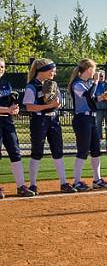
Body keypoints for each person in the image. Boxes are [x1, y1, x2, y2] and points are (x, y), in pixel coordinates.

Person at [22, 58, 71, 194]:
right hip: (39, 120)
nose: (54, 73)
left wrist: (57, 103)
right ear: (42, 71)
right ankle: (33, 184)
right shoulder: (32, 86)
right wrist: (49, 105)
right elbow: (29, 107)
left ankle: (64, 182)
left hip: (53, 119)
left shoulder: (52, 84)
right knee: (37, 152)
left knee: (58, 151)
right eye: (52, 70)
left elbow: (59, 102)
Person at [68, 59, 107, 191]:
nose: (95, 72)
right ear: (88, 70)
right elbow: (88, 95)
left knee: (95, 150)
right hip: (82, 119)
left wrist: (103, 97)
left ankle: (97, 179)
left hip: (91, 119)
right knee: (83, 150)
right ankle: (76, 181)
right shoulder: (77, 84)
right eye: (94, 69)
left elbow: (92, 99)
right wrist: (95, 82)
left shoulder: (87, 83)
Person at [0, 57, 32, 197]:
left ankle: (21, 186)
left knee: (15, 152)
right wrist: (8, 110)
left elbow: (11, 105)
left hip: (7, 122)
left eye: (2, 66)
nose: (1, 69)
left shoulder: (6, 84)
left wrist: (15, 109)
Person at [94, 69, 107, 148]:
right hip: (98, 107)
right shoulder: (95, 84)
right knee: (98, 124)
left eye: (102, 76)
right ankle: (98, 140)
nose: (101, 78)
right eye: (99, 76)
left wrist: (105, 97)